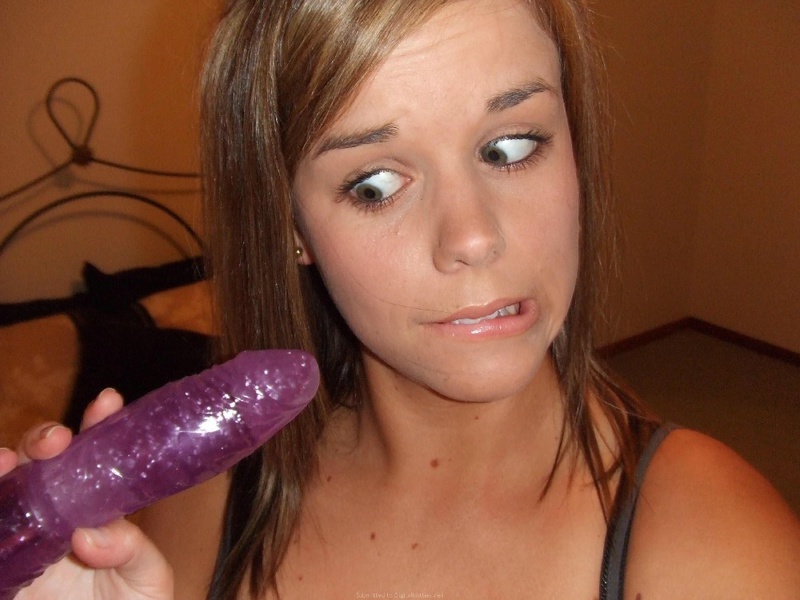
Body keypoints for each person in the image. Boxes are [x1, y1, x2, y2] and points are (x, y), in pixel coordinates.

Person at [3, 0, 799, 598]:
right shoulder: (209, 501)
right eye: (374, 184)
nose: (473, 237)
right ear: (290, 226)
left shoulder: (718, 551)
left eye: (510, 147)